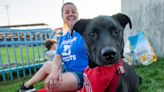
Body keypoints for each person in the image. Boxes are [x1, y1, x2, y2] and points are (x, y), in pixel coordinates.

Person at [17, 2, 88, 92]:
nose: (71, 14)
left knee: (51, 85)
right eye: (67, 12)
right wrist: (55, 69)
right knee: (47, 65)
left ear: (78, 14)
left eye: (73, 11)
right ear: (62, 17)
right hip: (67, 70)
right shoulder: (63, 38)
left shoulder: (85, 33)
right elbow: (58, 56)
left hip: (81, 73)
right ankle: (26, 87)